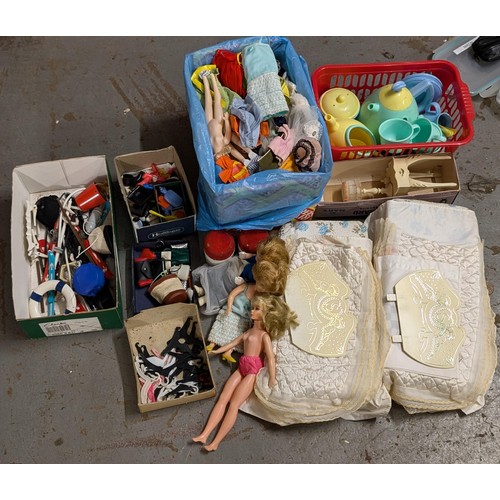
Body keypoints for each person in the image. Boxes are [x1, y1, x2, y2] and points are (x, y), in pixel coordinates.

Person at [192, 293, 298, 452]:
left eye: (257, 309)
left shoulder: (264, 336)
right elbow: (231, 343)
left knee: (234, 404)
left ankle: (215, 443)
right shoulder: (248, 332)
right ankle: (204, 434)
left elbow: (270, 357)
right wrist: (216, 351)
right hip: (242, 367)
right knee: (222, 398)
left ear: (266, 314)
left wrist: (272, 377)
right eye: (253, 308)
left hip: (252, 371)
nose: (252, 311)